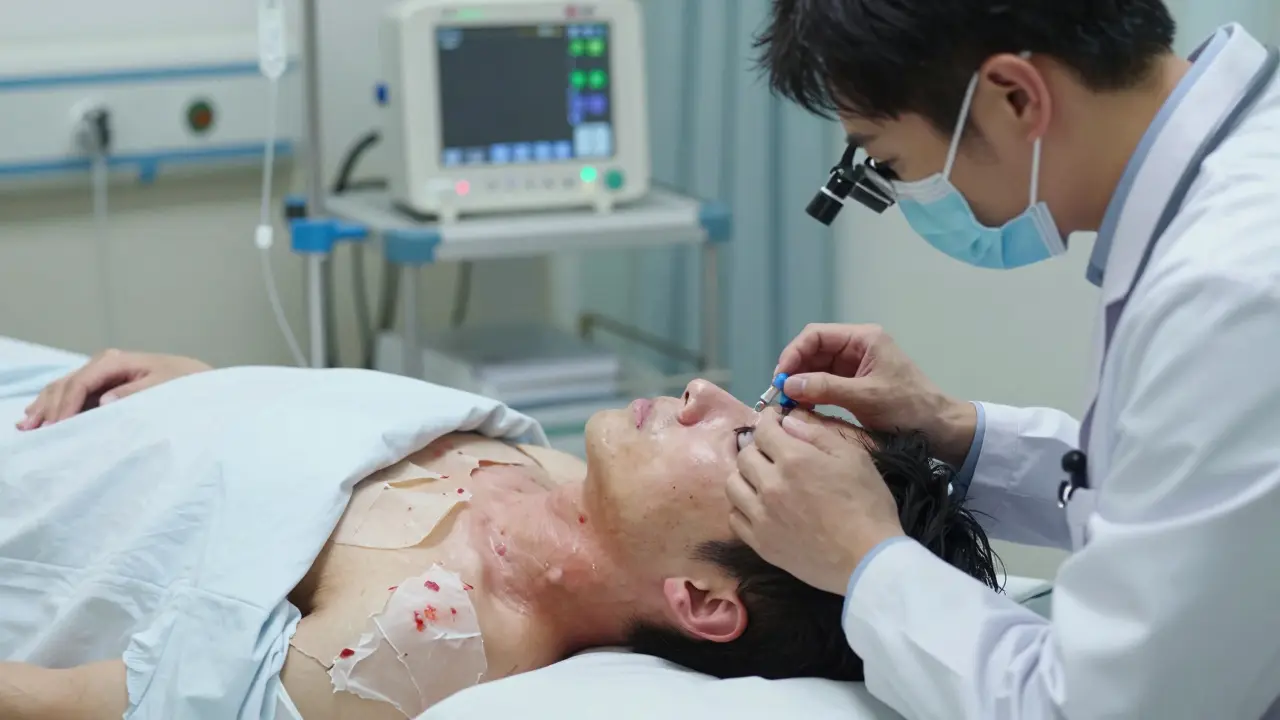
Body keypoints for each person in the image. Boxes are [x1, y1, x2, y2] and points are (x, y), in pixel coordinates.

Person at [729, 1, 1280, 718]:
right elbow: (1185, 495)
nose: (900, 194)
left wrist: (864, 558)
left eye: (890, 163)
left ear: (1015, 96)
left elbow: (1099, 708)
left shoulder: (1232, 291)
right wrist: (953, 428)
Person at [1, 350, 1000, 719]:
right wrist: (211, 387)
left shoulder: (416, 641)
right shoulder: (574, 485)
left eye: (742, 446)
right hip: (74, 389)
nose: (702, 392)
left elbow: (53, 705)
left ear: (700, 601)